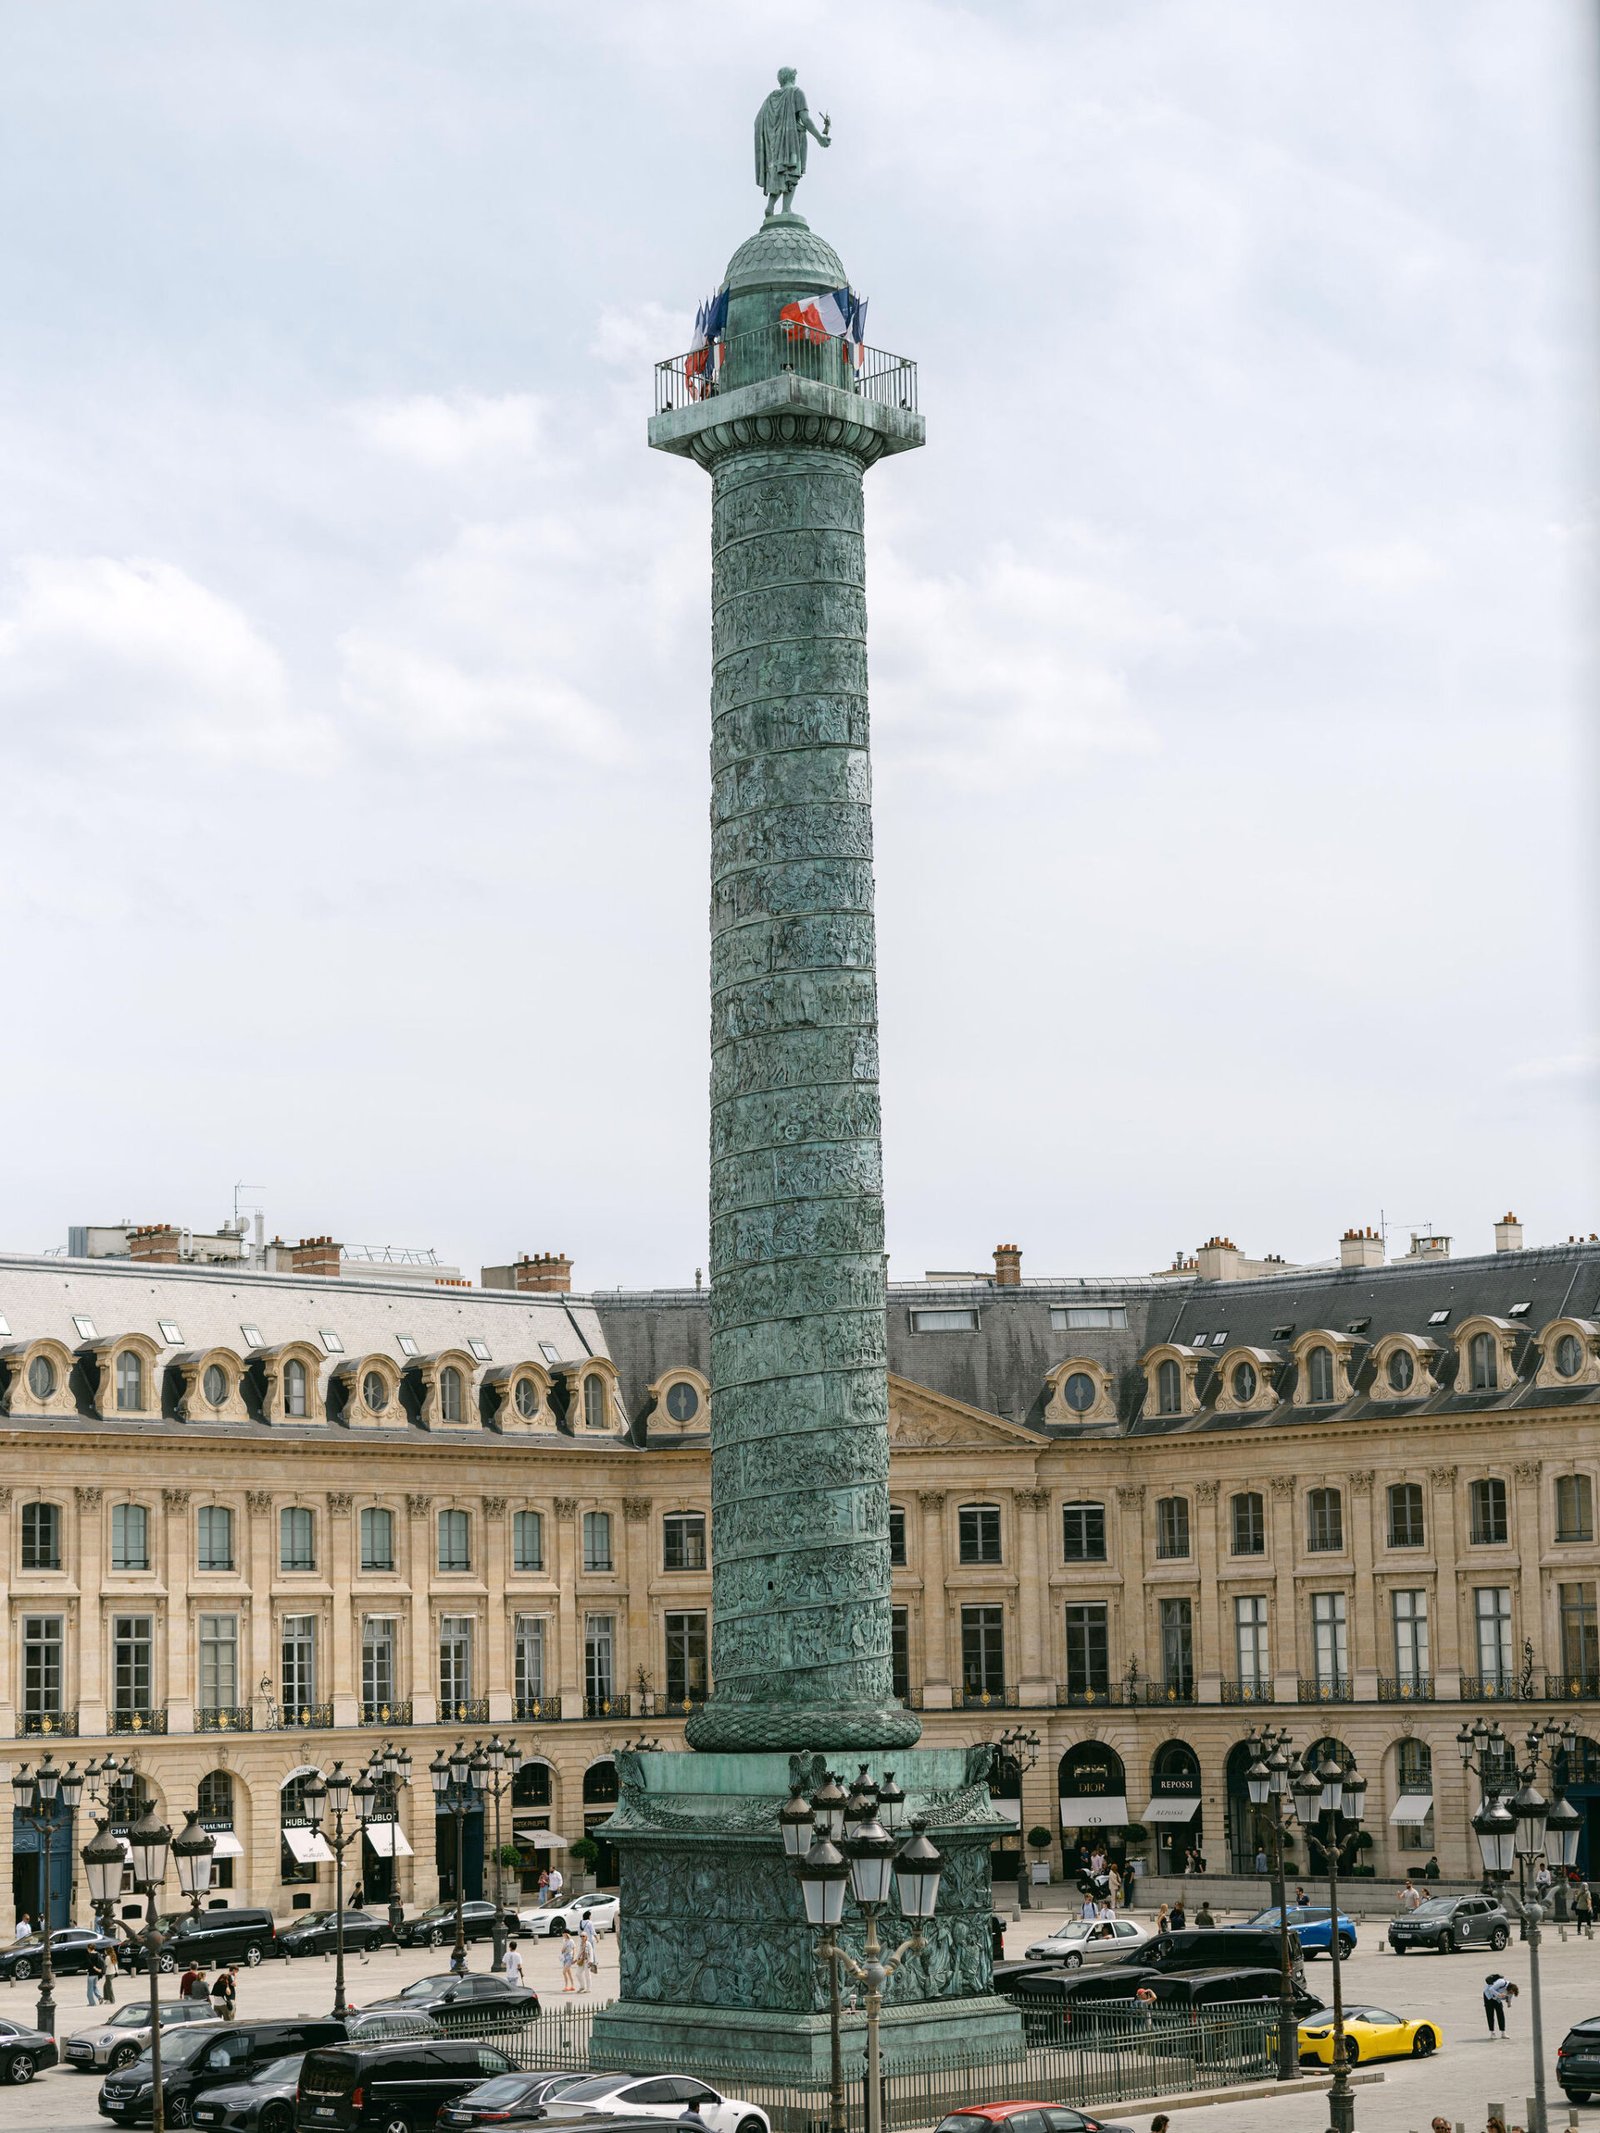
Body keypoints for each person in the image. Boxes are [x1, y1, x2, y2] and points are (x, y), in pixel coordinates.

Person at [1483, 1970, 1513, 2036]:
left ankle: (1503, 2033)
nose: (1509, 1993)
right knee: (1490, 2014)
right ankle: (1492, 2032)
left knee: (1500, 2013)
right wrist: (1499, 1995)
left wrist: (1509, 2003)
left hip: (1497, 1998)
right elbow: (1491, 1989)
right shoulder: (1501, 1982)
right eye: (1509, 1992)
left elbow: (1510, 1996)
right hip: (1488, 1996)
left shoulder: (1511, 1989)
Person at [580, 1916, 599, 1991]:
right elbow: (593, 1931)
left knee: (586, 1974)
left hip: (586, 1958)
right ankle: (593, 1963)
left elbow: (579, 1931)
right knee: (592, 1952)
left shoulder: (581, 1922)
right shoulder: (590, 1922)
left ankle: (587, 1988)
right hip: (590, 1940)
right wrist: (597, 1938)